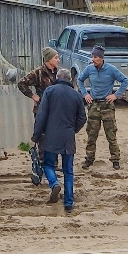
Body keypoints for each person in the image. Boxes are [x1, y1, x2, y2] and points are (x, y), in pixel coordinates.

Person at [32, 67, 86, 213]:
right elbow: (82, 118)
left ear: (58, 77)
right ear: (69, 80)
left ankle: (54, 183)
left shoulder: (50, 92)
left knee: (48, 164)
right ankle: (68, 203)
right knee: (68, 171)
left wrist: (36, 135)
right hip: (68, 138)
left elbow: (42, 115)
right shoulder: (76, 96)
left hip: (51, 136)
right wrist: (72, 129)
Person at [78, 45, 128, 170]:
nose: (93, 59)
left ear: (101, 58)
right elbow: (80, 80)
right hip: (94, 105)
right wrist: (85, 94)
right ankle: (89, 159)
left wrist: (116, 95)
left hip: (107, 106)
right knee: (91, 134)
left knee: (111, 134)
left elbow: (125, 80)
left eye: (95, 57)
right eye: (92, 57)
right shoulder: (89, 69)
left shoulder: (111, 69)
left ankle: (115, 159)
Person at [18, 47, 59, 185]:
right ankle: (41, 167)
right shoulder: (39, 73)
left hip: (56, 111)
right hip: (42, 110)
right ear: (48, 59)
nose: (58, 59)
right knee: (42, 140)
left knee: (55, 138)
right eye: (56, 57)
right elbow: (21, 83)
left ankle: (53, 166)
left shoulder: (58, 73)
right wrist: (33, 96)